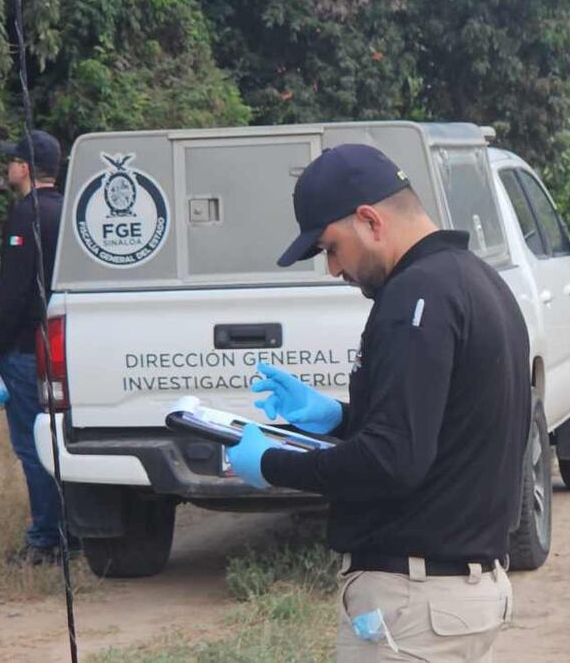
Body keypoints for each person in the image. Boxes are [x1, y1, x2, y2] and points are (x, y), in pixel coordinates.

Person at [225, 144, 529, 660]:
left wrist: (273, 465)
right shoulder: (479, 280)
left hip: (414, 605)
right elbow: (442, 428)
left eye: (330, 248)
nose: (333, 269)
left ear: (369, 220)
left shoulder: (414, 297)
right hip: (461, 598)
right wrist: (341, 418)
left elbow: (394, 460)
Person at [0, 130, 67, 565]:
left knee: (33, 444)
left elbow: (13, 293)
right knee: (62, 440)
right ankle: (74, 531)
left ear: (26, 169)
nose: (8, 166)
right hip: (63, 347)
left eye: (13, 160)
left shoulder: (24, 216)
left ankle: (46, 538)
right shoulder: (67, 212)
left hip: (27, 349)